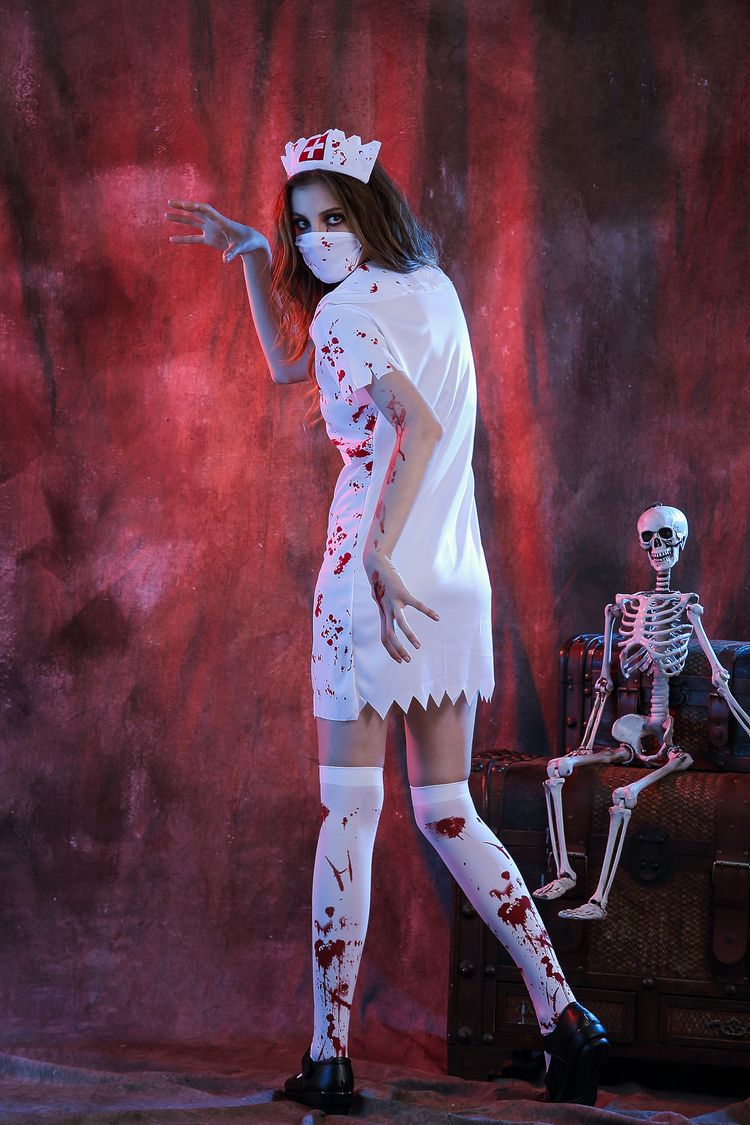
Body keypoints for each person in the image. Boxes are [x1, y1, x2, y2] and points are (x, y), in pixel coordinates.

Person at [166, 128, 609, 1112]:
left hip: (373, 575)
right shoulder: (432, 290)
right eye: (301, 226)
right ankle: (567, 1015)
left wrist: (376, 549)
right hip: (452, 578)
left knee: (349, 809)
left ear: (368, 214)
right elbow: (295, 371)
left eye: (332, 219)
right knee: (446, 808)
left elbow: (416, 425)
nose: (317, 239)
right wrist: (253, 257)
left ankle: (329, 1055)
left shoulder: (345, 317)